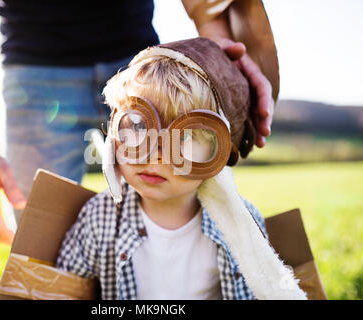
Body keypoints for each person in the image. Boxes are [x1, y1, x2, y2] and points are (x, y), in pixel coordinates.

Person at [0, 0, 275, 244]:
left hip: (141, 63)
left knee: (186, 211)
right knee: (38, 244)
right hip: (33, 73)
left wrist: (216, 54)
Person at [55, 38, 305, 300]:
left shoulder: (242, 228)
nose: (155, 155)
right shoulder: (98, 219)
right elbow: (60, 290)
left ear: (219, 154)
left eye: (185, 136)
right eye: (139, 126)